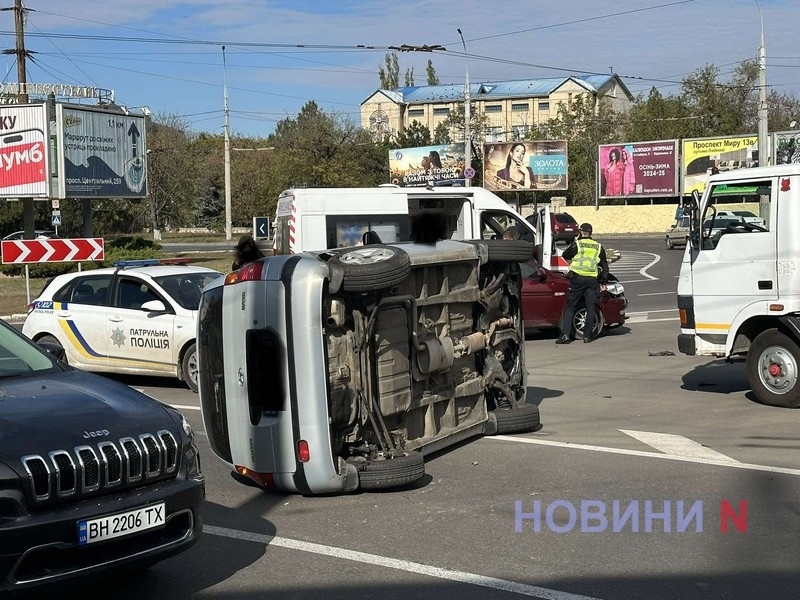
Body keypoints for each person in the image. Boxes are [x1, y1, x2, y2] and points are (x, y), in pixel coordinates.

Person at [555, 222, 609, 345]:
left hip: (578, 279)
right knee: (590, 307)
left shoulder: (577, 244)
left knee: (571, 306)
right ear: (591, 233)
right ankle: (587, 336)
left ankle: (565, 335)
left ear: (581, 232)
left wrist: (575, 242)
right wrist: (603, 280)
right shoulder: (598, 246)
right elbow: (604, 265)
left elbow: (565, 255)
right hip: (591, 280)